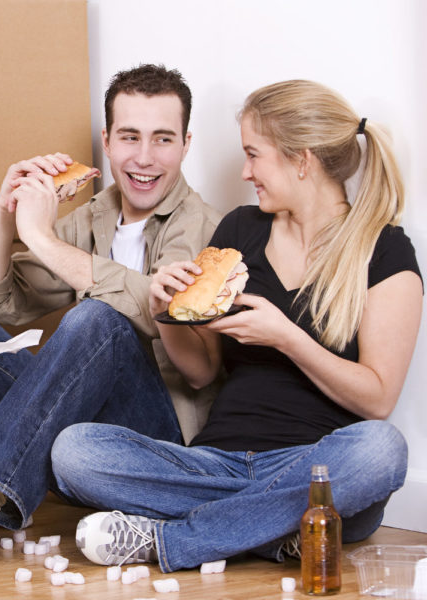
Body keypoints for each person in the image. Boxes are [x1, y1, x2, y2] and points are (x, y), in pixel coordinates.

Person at [51, 79, 423, 573]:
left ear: (301, 160)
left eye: (254, 155)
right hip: (213, 461)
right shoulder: (241, 230)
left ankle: (171, 542)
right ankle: (274, 533)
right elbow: (202, 371)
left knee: (381, 452)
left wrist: (287, 337)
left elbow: (376, 399)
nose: (245, 172)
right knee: (75, 452)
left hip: (311, 464)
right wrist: (167, 312)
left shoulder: (385, 249)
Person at [0, 64, 223, 570]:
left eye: (162, 139)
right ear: (106, 140)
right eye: (129, 137)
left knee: (98, 319)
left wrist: (41, 238)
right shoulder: (96, 214)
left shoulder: (207, 227)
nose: (144, 158)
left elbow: (153, 307)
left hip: (152, 443)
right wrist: (2, 209)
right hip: (65, 415)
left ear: (186, 144)